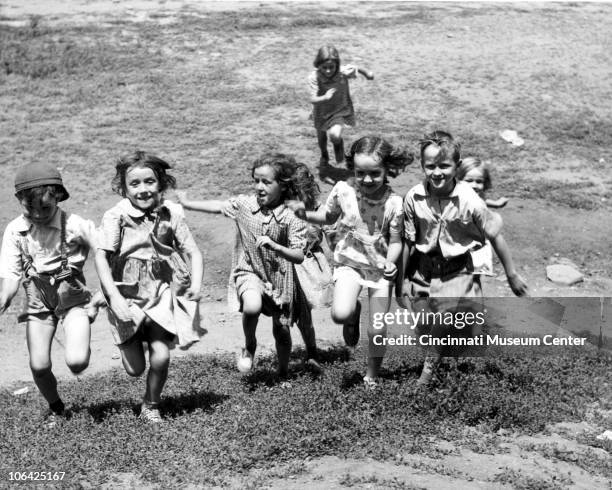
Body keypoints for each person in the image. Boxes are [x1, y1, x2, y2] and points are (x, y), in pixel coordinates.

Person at [403, 131, 528, 386]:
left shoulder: (471, 201)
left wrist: (512, 274)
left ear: (456, 167)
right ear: (422, 166)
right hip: (423, 271)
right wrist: (401, 278)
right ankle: (447, 355)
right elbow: (407, 240)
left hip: (457, 271)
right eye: (431, 166)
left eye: (444, 166)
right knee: (422, 327)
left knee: (440, 325)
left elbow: (495, 236)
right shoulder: (413, 197)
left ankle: (424, 380)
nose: (437, 172)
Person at [288, 136, 413, 388]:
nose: (367, 179)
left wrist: (391, 261)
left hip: (380, 271)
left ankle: (371, 376)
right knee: (339, 314)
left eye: (375, 173)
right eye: (360, 173)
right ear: (352, 169)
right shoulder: (343, 191)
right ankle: (353, 312)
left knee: (376, 330)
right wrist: (305, 214)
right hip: (350, 264)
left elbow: (397, 240)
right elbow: (327, 215)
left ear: (387, 169)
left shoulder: (394, 203)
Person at [176, 153, 309, 378]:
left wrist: (277, 247)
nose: (259, 187)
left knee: (282, 331)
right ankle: (250, 345)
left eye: (266, 182)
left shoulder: (291, 216)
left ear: (283, 185)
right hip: (249, 270)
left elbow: (298, 256)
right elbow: (219, 206)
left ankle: (284, 372)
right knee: (251, 307)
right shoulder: (246, 205)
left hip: (280, 279)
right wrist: (188, 203)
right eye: (256, 180)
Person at [95, 151, 204, 423]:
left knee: (162, 355)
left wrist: (197, 284)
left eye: (149, 181)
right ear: (123, 188)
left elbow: (194, 252)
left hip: (161, 289)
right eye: (135, 184)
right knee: (134, 369)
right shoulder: (116, 216)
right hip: (127, 291)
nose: (143, 189)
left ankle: (151, 404)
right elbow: (101, 256)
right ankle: (132, 337)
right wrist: (113, 296)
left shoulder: (171, 212)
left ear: (161, 183)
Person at [0, 163, 97, 427]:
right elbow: (10, 279)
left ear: (57, 197)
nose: (38, 214)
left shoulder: (74, 225)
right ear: (20, 200)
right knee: (39, 366)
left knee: (77, 362)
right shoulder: (15, 231)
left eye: (45, 207)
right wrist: (3, 300)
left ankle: (84, 324)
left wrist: (105, 293)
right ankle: (56, 408)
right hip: (37, 303)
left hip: (73, 301)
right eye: (30, 208)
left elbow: (105, 251)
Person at [309, 45, 374, 176]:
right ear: (318, 64)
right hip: (320, 112)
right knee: (321, 137)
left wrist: (367, 74)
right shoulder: (314, 77)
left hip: (338, 110)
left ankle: (338, 145)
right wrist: (324, 97)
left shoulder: (342, 72)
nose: (328, 71)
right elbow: (312, 98)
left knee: (334, 134)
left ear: (337, 65)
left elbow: (356, 68)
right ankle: (324, 156)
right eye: (324, 67)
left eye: (331, 67)